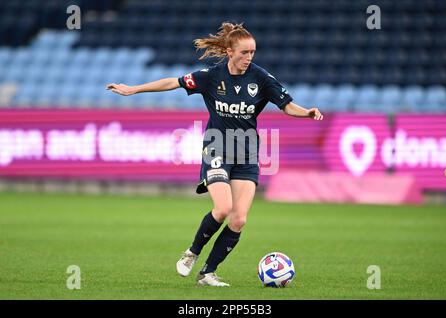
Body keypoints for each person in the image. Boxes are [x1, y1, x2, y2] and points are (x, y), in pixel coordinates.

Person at [107, 22, 323, 287]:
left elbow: (287, 106)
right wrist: (134, 89)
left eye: (253, 52)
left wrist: (307, 112)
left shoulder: (261, 78)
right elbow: (172, 82)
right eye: (244, 53)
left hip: (246, 152)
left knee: (239, 219)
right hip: (217, 147)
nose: (249, 58)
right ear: (230, 51)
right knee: (222, 208)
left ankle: (207, 273)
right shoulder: (211, 76)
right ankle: (192, 253)